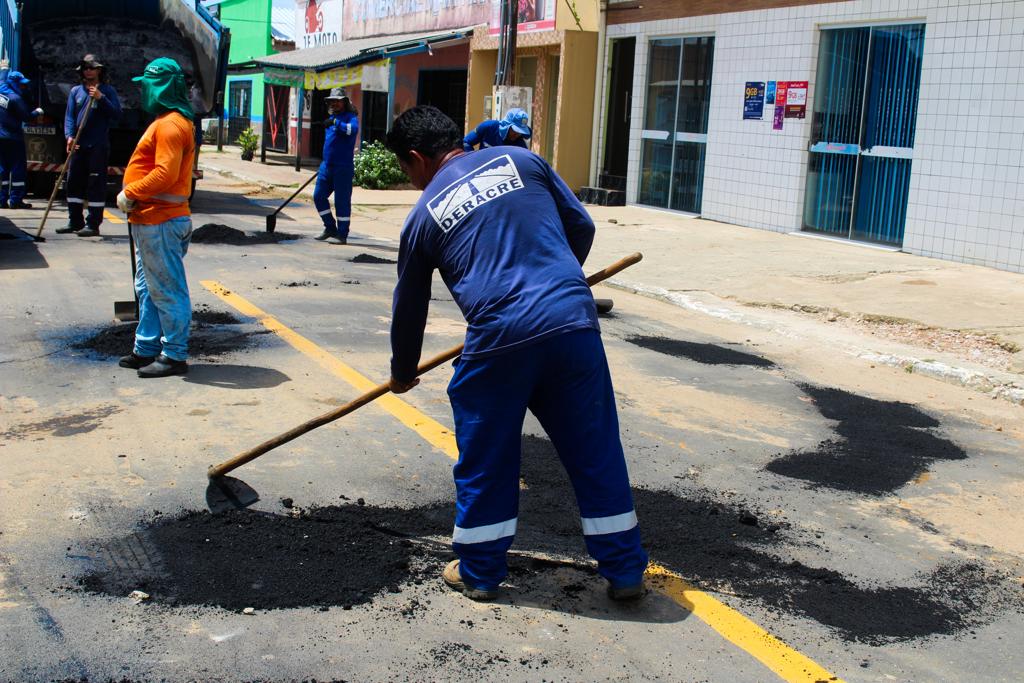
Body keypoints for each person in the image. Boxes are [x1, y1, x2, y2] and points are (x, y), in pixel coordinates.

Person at [385, 106, 648, 602]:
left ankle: (480, 572)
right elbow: (582, 226)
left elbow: (409, 306)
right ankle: (626, 570)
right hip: (573, 322)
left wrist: (402, 372)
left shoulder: (422, 219)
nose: (411, 181)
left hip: (500, 335)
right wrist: (554, 281)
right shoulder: (521, 161)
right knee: (595, 448)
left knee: (488, 453)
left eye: (406, 171)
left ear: (417, 159)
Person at [115, 57, 196, 378]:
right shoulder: (167, 121)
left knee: (167, 288)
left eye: (147, 85)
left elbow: (165, 174)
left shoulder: (171, 125)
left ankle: (175, 354)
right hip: (150, 220)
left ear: (160, 87)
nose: (143, 91)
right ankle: (145, 347)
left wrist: (131, 192)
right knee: (147, 287)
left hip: (162, 221)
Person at [55, 54, 122, 237]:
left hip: (97, 145)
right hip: (78, 144)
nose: (88, 71)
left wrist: (101, 98)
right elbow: (69, 116)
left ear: (99, 70)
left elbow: (116, 114)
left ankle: (93, 223)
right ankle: (74, 220)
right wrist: (69, 136)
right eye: (85, 68)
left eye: (91, 68)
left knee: (95, 184)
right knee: (73, 182)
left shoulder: (107, 91)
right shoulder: (76, 91)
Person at [313, 87, 358, 245]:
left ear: (344, 102)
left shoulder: (350, 118)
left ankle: (342, 234)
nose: (334, 104)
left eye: (337, 101)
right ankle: (330, 227)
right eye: (332, 101)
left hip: (343, 168)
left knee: (341, 201)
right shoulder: (331, 119)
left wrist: (335, 122)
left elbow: (352, 130)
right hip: (326, 167)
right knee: (318, 196)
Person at [0, 71, 43, 209]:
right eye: (21, 84)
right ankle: (16, 200)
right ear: (13, 83)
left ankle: (1, 199)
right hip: (13, 138)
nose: (23, 87)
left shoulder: (1, 92)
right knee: (17, 169)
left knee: (2, 169)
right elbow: (26, 117)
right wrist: (38, 111)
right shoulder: (15, 98)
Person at [462, 108, 531, 152]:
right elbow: (466, 142)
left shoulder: (520, 146)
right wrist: (474, 159)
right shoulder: (488, 127)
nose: (517, 135)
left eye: (520, 132)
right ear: (507, 126)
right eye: (515, 130)